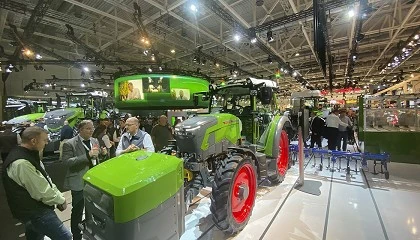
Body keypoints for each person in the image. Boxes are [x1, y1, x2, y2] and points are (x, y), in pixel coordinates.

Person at [2, 127, 72, 240]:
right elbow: (41, 191)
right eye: (44, 140)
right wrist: (60, 200)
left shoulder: (27, 155)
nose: (47, 142)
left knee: (35, 236)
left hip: (29, 211)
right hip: (36, 212)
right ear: (33, 141)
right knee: (65, 237)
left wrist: (57, 195)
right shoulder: (21, 163)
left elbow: (45, 179)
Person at [62, 120, 107, 240]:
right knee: (78, 209)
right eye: (88, 128)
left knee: (92, 208)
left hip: (94, 181)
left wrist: (103, 154)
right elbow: (67, 162)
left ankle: (89, 230)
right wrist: (87, 155)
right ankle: (76, 235)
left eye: (92, 128)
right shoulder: (70, 143)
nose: (91, 130)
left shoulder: (94, 141)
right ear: (80, 130)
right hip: (79, 182)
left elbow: (97, 159)